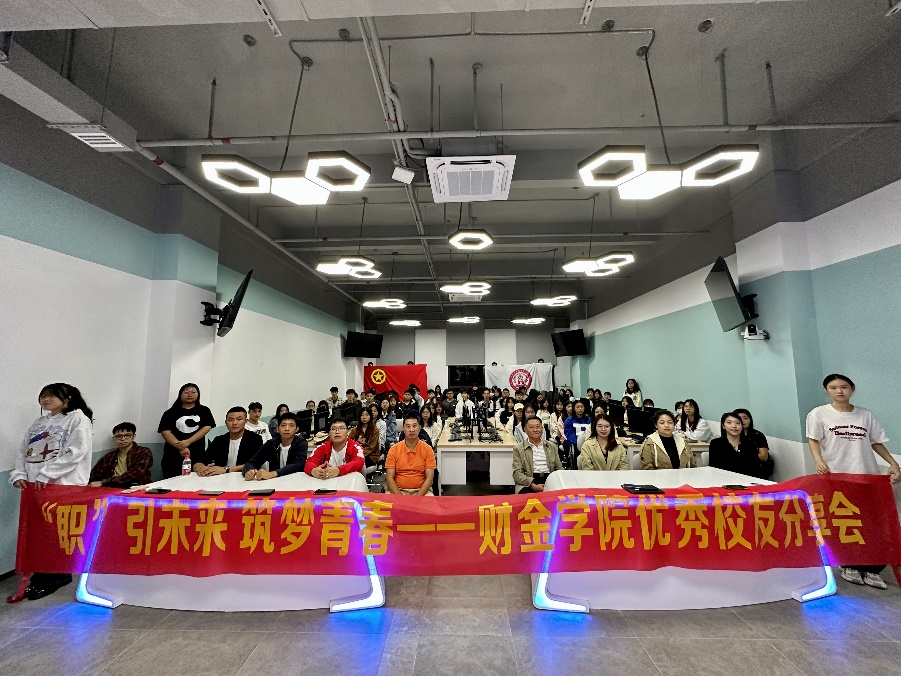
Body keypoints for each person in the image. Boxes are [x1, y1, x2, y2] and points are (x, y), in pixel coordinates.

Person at [807, 373, 901, 590]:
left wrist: (893, 463)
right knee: (844, 521)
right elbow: (813, 440)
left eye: (844, 387)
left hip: (866, 476)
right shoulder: (819, 414)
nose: (839, 391)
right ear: (826, 390)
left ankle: (872, 568)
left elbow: (876, 442)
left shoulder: (865, 415)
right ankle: (848, 564)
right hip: (837, 477)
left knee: (870, 522)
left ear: (852, 389)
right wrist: (819, 461)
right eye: (833, 387)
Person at [11, 383, 94, 600]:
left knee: (56, 533)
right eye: (42, 396)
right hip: (36, 487)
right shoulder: (39, 423)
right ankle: (46, 575)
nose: (45, 399)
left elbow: (76, 452)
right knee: (40, 533)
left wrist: (46, 473)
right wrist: (19, 474)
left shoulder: (78, 419)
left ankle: (54, 577)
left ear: (67, 398)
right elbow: (23, 451)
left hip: (63, 486)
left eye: (51, 396)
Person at [157, 383, 215, 479]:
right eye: (186, 392)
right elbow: (165, 432)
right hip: (173, 455)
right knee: (172, 482)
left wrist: (188, 441)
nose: (190, 395)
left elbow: (207, 427)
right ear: (180, 394)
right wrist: (181, 447)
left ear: (198, 394)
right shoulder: (170, 412)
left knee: (196, 481)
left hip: (196, 454)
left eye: (193, 392)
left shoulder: (204, 410)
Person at [198, 407, 264, 475]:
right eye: (230, 420)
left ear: (246, 421)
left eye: (239, 419)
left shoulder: (255, 439)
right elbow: (201, 460)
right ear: (226, 422)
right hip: (221, 478)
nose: (234, 423)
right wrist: (201, 468)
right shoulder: (219, 440)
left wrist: (226, 469)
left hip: (243, 477)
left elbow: (255, 463)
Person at [242, 412, 308, 480]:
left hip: (295, 481)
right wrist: (248, 471)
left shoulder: (301, 443)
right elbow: (251, 462)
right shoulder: (271, 444)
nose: (287, 429)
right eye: (283, 425)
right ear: (277, 429)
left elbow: (298, 465)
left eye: (291, 425)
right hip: (274, 482)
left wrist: (273, 473)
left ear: (297, 429)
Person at [385, 413, 437, 495]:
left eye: (414, 426)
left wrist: (417, 498)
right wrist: (400, 498)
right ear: (403, 429)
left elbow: (430, 478)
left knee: (431, 502)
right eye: (408, 426)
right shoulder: (394, 449)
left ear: (419, 428)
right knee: (386, 502)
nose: (411, 430)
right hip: (398, 491)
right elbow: (389, 478)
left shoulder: (428, 449)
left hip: (422, 492)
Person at [89, 422, 153, 487]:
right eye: (118, 436)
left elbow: (137, 473)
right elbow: (95, 475)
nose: (123, 439)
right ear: (114, 439)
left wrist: (105, 482)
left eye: (127, 435)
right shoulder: (109, 457)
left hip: (137, 486)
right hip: (113, 487)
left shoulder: (144, 452)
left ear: (133, 436)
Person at [709, 411, 770, 478]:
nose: (734, 426)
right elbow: (714, 468)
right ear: (723, 426)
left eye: (737, 423)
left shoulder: (750, 445)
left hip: (747, 480)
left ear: (742, 426)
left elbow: (755, 469)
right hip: (724, 480)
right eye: (729, 422)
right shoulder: (716, 444)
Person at [512, 416, 563, 493]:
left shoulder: (551, 446)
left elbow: (559, 468)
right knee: (527, 496)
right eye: (531, 427)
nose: (535, 430)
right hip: (528, 482)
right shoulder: (518, 448)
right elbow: (517, 473)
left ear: (542, 429)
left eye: (538, 427)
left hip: (550, 479)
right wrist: (532, 485)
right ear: (525, 430)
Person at [350, 407, 381, 473]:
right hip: (356, 454)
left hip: (371, 455)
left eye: (367, 415)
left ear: (370, 416)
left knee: (355, 464)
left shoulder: (375, 430)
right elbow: (350, 443)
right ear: (359, 417)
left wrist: (359, 454)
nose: (364, 417)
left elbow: (371, 447)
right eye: (362, 415)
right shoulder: (355, 430)